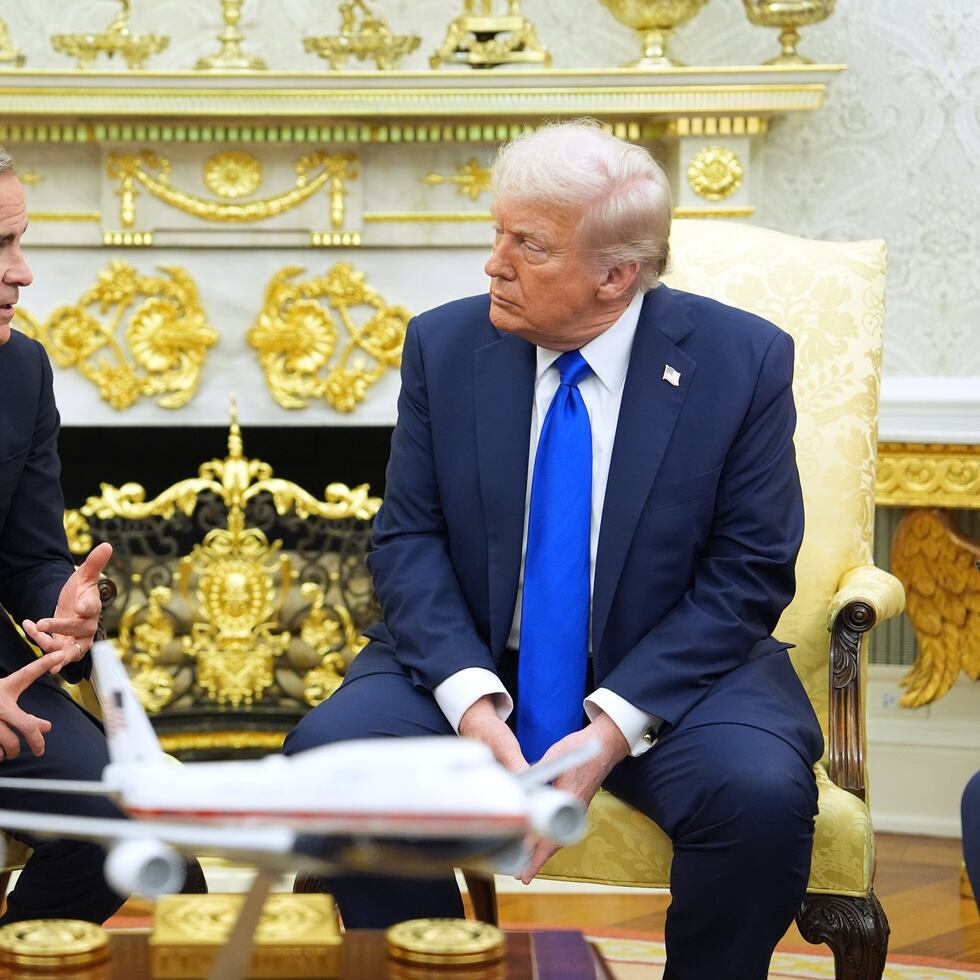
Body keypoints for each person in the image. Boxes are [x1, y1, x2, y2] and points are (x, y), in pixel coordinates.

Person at [285, 121, 823, 979]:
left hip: (674, 672)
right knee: (334, 759)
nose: (494, 263)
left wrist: (608, 731)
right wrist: (471, 701)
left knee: (757, 795)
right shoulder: (445, 344)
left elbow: (749, 571)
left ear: (618, 275)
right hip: (473, 657)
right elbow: (409, 540)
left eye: (528, 244)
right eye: (497, 233)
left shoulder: (740, 359)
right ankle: (432, 966)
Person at [0, 143, 126, 924]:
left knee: (139, 835)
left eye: (18, 243)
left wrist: (69, 601)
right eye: (0, 248)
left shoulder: (22, 371)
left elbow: (31, 554)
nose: (23, 273)